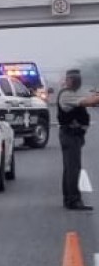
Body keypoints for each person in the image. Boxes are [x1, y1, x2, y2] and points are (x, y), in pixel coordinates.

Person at [57, 69, 99, 210]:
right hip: (70, 134)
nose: (73, 81)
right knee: (73, 169)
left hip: (74, 135)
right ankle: (73, 200)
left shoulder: (73, 93)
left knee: (71, 168)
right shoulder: (67, 94)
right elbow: (89, 101)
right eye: (72, 79)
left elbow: (90, 99)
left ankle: (69, 199)